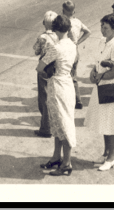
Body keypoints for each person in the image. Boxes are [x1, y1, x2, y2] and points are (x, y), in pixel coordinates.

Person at [86, 14, 114, 172]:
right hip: (101, 85)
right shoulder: (102, 41)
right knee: (105, 122)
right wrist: (93, 72)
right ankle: (106, 154)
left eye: (106, 28)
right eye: (101, 27)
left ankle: (112, 157)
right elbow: (98, 62)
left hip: (111, 87)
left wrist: (100, 76)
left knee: (112, 124)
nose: (102, 30)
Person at [39, 15, 77, 177]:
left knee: (62, 125)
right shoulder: (72, 45)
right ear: (68, 29)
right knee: (59, 123)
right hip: (67, 83)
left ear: (55, 29)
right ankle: (56, 157)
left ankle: (66, 164)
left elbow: (40, 67)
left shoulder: (56, 48)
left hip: (57, 87)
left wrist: (47, 72)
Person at [32, 11, 59, 138]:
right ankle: (52, 125)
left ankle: (45, 128)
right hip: (57, 68)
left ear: (44, 23)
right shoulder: (60, 36)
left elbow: (36, 51)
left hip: (45, 68)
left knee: (44, 98)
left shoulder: (43, 37)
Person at [61, 1, 90, 110]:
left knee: (66, 76)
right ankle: (77, 100)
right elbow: (88, 32)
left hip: (66, 51)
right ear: (74, 11)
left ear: (63, 11)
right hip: (75, 50)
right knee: (73, 76)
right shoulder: (77, 22)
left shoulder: (63, 22)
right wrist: (78, 41)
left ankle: (73, 100)